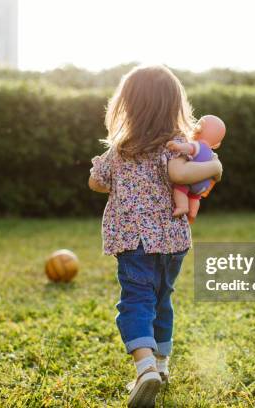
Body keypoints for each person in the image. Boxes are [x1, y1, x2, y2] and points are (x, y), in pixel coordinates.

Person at [88, 65, 223, 407]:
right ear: (175, 106)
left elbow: (97, 181)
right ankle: (161, 367)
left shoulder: (119, 151)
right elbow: (195, 176)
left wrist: (102, 178)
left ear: (127, 107)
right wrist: (215, 168)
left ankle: (145, 367)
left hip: (133, 243)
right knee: (162, 301)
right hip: (173, 243)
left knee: (135, 300)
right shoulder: (178, 149)